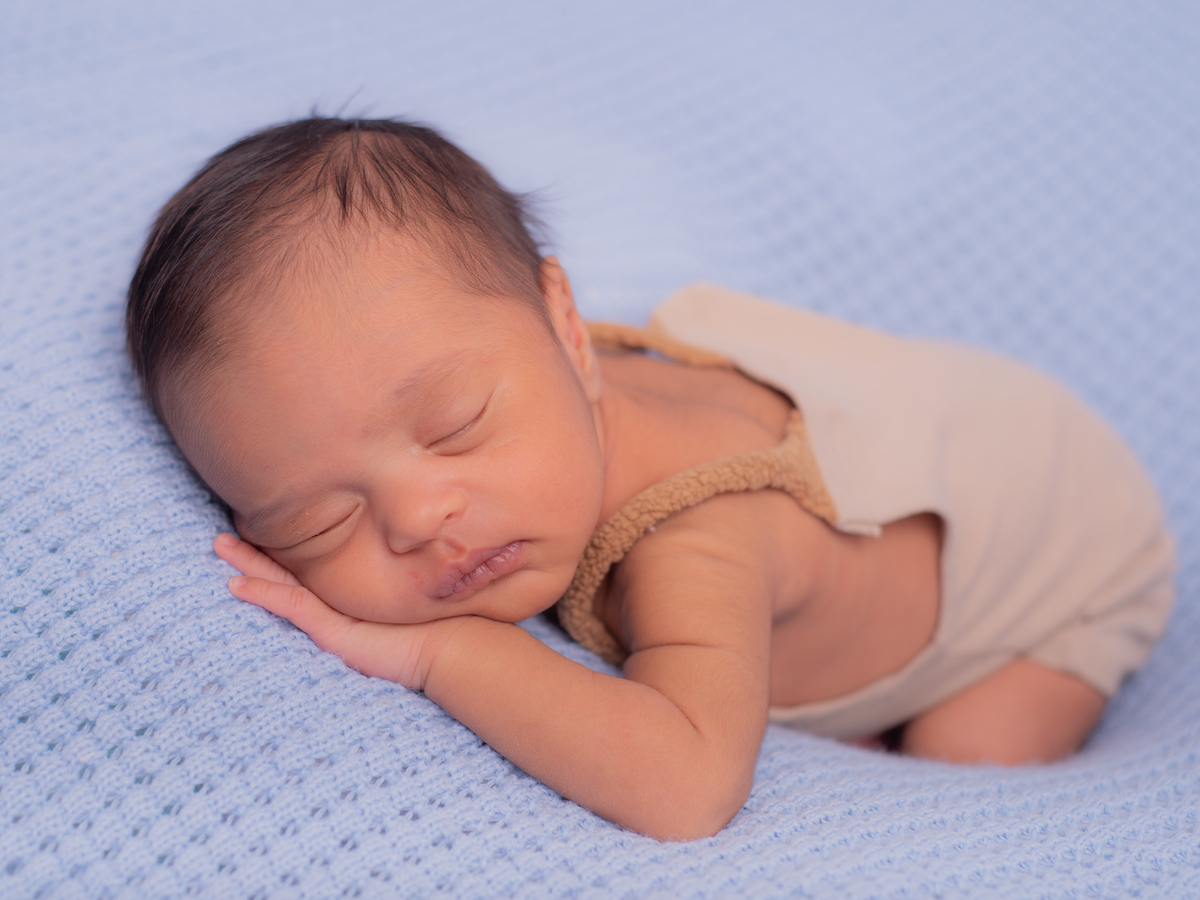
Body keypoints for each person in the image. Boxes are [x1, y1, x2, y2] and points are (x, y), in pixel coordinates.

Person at [125, 117, 1175, 841]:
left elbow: (684, 786)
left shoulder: (696, 533)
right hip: (966, 424)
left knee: (962, 765)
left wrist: (443, 656)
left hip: (1066, 549)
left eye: (456, 428)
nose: (418, 518)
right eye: (319, 521)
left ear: (570, 331)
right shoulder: (537, 395)